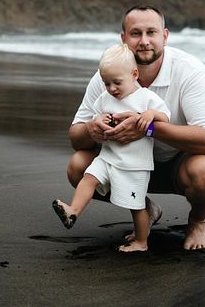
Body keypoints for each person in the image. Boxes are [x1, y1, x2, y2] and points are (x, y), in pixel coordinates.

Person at [67, 5, 205, 250]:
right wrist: (92, 128)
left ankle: (198, 221)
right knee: (78, 167)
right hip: (129, 161)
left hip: (183, 160)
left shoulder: (190, 71)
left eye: (151, 32)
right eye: (136, 33)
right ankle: (144, 209)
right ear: (123, 38)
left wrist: (148, 128)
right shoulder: (109, 77)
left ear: (164, 36)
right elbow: (76, 138)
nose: (144, 41)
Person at [53, 43, 170, 252]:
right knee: (88, 178)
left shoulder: (145, 97)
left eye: (117, 82)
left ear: (134, 74)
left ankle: (141, 241)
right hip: (107, 157)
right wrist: (97, 121)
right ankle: (73, 211)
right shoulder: (105, 97)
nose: (112, 88)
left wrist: (151, 115)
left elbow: (165, 116)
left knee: (136, 206)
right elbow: (94, 117)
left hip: (133, 164)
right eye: (106, 83)